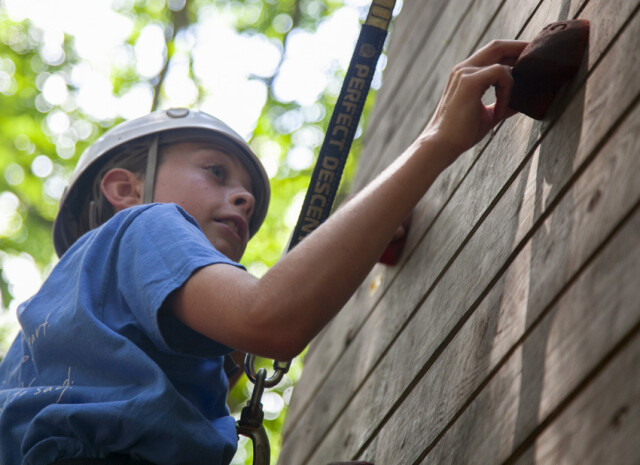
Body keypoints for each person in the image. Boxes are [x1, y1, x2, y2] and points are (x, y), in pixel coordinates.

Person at [0, 39, 527, 465]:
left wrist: (362, 233)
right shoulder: (146, 224)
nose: (245, 198)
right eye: (215, 171)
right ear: (126, 190)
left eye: (246, 196)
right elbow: (271, 316)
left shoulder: (49, 341)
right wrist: (436, 140)